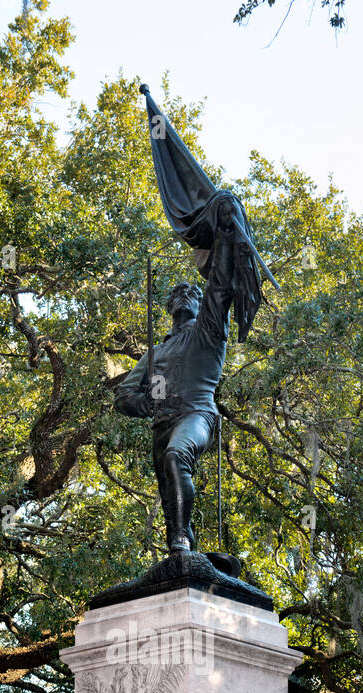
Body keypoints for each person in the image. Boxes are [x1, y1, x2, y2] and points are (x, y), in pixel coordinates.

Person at [114, 193, 241, 553]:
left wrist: (226, 234)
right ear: (169, 306)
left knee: (176, 456)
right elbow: (123, 396)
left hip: (197, 414)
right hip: (161, 421)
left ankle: (182, 538)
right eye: (178, 292)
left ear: (200, 305)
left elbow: (220, 286)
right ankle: (184, 544)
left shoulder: (208, 332)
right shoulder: (154, 353)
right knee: (170, 499)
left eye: (192, 292)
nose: (185, 294)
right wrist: (151, 402)